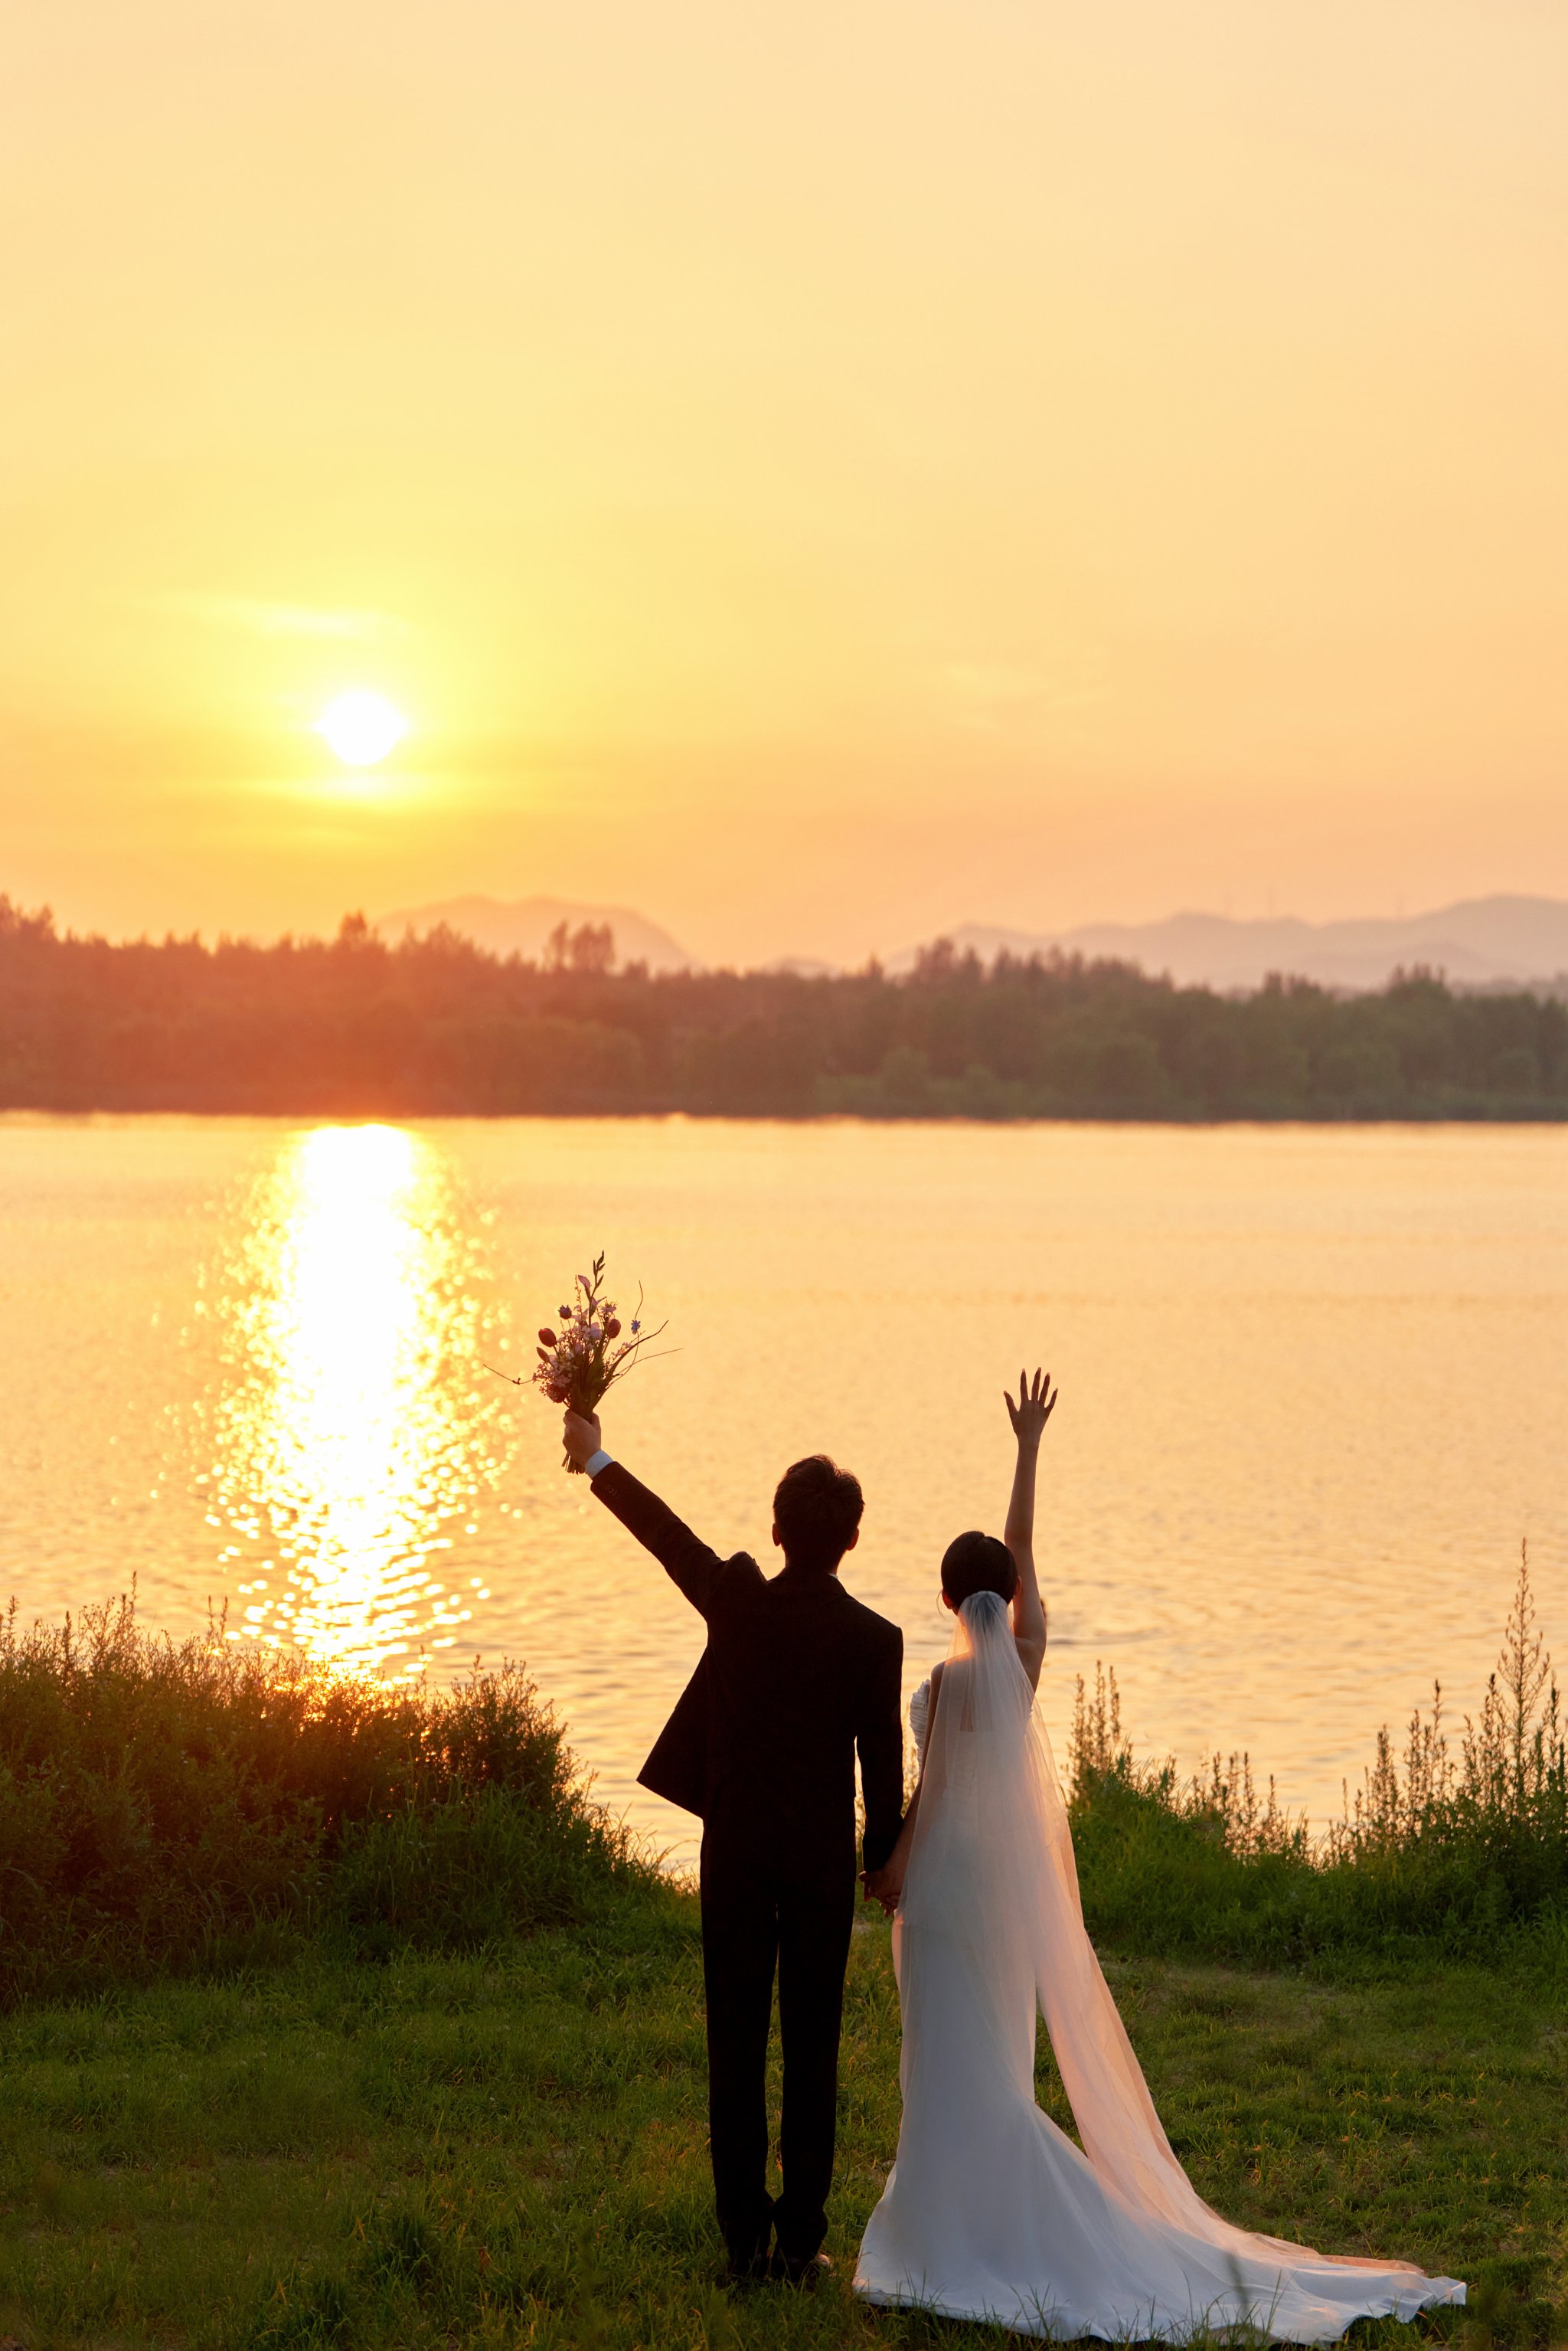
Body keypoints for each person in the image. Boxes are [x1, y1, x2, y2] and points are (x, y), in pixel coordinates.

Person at [855, 1370, 1465, 2343]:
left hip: (939, 1885)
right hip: (998, 1895)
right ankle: (967, 2216)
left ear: (940, 1596)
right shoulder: (1026, 1659)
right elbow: (1019, 1550)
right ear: (1008, 1599)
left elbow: (927, 1798)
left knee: (937, 2058)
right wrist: (1027, 1446)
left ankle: (944, 2224)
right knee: (994, 2063)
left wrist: (889, 1870)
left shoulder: (938, 1678)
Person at [560, 1403, 905, 2285]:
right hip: (821, 1865)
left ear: (777, 1529)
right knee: (812, 2047)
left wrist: (596, 1459)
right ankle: (800, 2244)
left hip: (739, 1859)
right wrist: (881, 1865)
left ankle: (743, 2242)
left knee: (736, 2043)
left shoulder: (739, 1601)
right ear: (852, 1539)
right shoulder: (875, 1639)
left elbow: (666, 1535)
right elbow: (879, 1770)